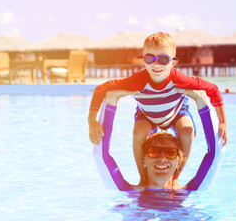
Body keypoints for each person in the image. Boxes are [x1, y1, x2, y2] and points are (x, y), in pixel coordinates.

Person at [89, 32, 227, 186]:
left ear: (173, 62)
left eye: (163, 59)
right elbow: (102, 89)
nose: (156, 64)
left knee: (187, 132)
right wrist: (91, 120)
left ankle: (175, 177)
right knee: (138, 132)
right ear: (143, 60)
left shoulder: (179, 79)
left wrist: (223, 122)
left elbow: (213, 89)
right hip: (147, 114)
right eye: (150, 59)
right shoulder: (137, 81)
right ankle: (143, 178)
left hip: (177, 113)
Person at [93, 89, 226, 191]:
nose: (162, 158)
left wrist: (202, 100)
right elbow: (100, 155)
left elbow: (217, 153)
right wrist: (111, 99)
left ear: (179, 161)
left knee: (186, 132)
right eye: (154, 152)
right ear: (143, 159)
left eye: (171, 153)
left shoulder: (191, 192)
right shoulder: (127, 192)